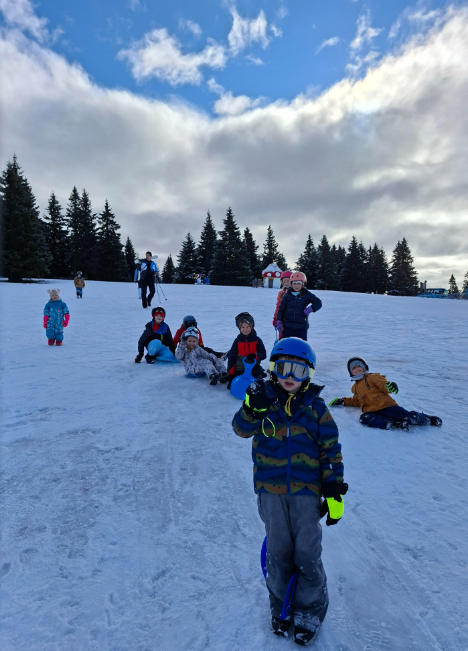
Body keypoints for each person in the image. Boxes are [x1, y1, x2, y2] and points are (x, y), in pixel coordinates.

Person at [232, 337, 347, 645]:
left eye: (298, 370)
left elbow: (330, 449)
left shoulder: (317, 408)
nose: (290, 377)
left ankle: (310, 609)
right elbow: (241, 429)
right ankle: (280, 605)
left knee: (307, 553)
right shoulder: (263, 400)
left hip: (306, 494)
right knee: (279, 551)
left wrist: (334, 490)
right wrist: (251, 408)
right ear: (273, 369)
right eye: (283, 368)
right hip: (270, 492)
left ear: (308, 374)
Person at [328, 357, 443, 430]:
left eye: (359, 367)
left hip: (387, 406)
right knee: (364, 419)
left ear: (364, 368)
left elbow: (383, 384)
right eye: (354, 368)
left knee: (407, 416)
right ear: (351, 372)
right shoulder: (355, 387)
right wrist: (343, 401)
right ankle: (394, 424)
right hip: (372, 411)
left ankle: (428, 419)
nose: (357, 369)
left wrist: (389, 386)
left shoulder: (372, 377)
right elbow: (357, 401)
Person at [276, 272, 322, 341]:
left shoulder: (306, 294)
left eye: (298, 283)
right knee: (287, 345)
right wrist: (279, 321)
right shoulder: (287, 295)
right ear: (291, 284)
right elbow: (281, 309)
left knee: (300, 345)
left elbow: (318, 302)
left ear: (302, 284)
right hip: (287, 327)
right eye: (294, 284)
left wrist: (311, 309)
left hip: (301, 327)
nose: (296, 286)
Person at [226, 312, 267, 389]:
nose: (245, 329)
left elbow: (263, 354)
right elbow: (232, 357)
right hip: (240, 368)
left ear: (251, 326)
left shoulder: (257, 340)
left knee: (259, 382)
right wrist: (230, 375)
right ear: (239, 328)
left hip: (253, 367)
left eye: (247, 326)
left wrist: (255, 355)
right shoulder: (237, 341)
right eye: (243, 327)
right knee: (238, 383)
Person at [272, 270, 292, 337]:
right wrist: (275, 319)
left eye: (288, 281)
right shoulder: (281, 293)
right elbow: (278, 307)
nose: (286, 283)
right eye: (284, 282)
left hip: (295, 321)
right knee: (282, 337)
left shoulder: (298, 293)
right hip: (283, 321)